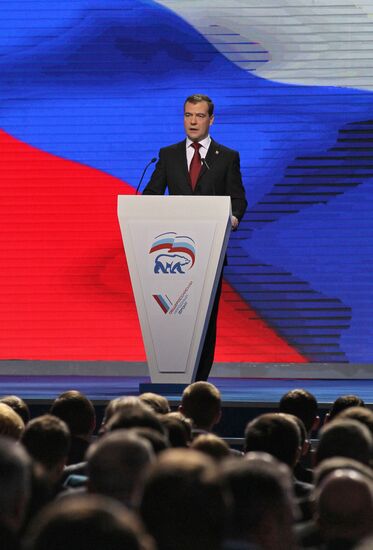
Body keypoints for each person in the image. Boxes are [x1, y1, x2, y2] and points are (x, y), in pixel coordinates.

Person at [143, 93, 247, 381]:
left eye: (200, 116)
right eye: (188, 115)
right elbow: (151, 195)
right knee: (174, 316)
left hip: (209, 252)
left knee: (204, 320)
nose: (193, 121)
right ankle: (171, 375)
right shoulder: (168, 154)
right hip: (171, 257)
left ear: (211, 120)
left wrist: (233, 218)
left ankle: (198, 380)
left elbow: (238, 199)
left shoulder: (226, 157)